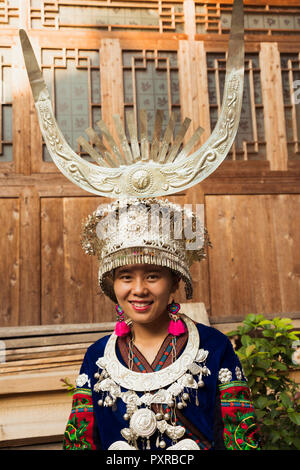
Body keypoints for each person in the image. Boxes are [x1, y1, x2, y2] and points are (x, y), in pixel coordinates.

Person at [62, 198, 261, 451]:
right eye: (125, 277)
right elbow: (81, 443)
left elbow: (240, 439)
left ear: (175, 281)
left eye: (152, 276)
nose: (138, 289)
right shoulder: (97, 356)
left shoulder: (214, 347)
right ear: (112, 284)